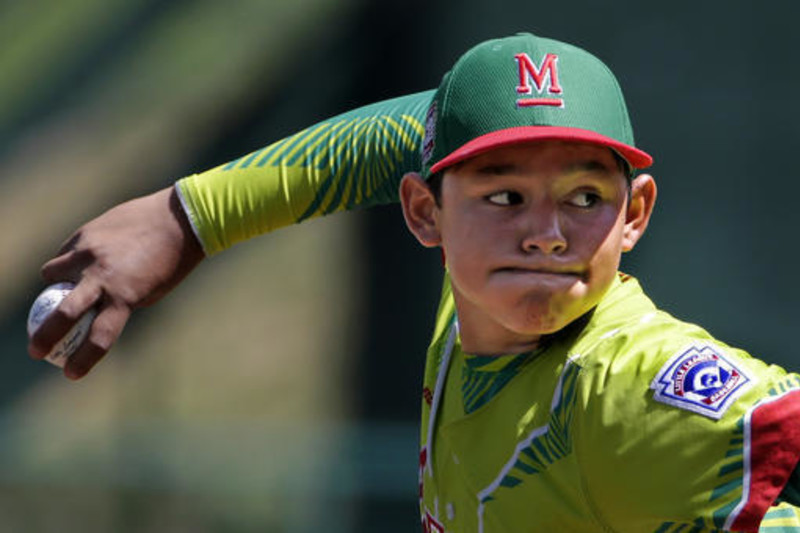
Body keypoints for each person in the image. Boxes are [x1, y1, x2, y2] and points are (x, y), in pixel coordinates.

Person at [27, 32, 800, 532]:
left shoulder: (626, 382)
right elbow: (409, 130)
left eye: (585, 197)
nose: (547, 230)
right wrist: (186, 218)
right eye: (505, 195)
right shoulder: (476, 302)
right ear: (424, 212)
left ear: (634, 215)